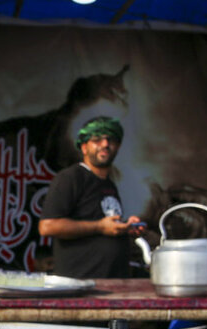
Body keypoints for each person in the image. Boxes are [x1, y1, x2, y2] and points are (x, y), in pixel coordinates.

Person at [37, 116, 144, 279]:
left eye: (111, 139)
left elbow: (103, 222)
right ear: (84, 147)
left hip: (111, 282)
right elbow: (47, 226)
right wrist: (99, 227)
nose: (105, 144)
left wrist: (126, 227)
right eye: (97, 140)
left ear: (118, 146)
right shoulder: (70, 177)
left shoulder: (109, 184)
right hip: (81, 284)